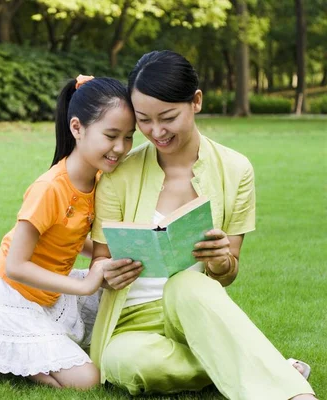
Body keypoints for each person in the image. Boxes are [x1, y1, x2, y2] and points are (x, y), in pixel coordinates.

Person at [88, 50, 316, 399]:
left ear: (195, 101)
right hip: (131, 321)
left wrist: (221, 261)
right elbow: (99, 260)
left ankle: (292, 394)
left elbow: (227, 273)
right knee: (126, 362)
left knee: (187, 284)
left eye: (167, 117)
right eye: (144, 120)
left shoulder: (236, 169)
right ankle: (258, 364)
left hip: (194, 307)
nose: (156, 131)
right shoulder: (119, 175)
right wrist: (107, 271)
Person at [0, 75, 136, 389]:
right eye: (111, 135)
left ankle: (4, 351)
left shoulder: (99, 180)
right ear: (77, 128)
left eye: (128, 137)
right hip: (9, 296)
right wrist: (87, 284)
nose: (121, 148)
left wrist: (118, 250)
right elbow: (15, 266)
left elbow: (68, 236)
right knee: (87, 380)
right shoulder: (50, 188)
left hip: (49, 293)